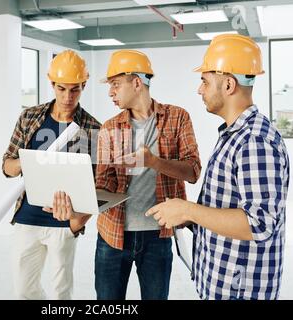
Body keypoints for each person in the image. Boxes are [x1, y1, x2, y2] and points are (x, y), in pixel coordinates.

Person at [146, 34, 290, 300]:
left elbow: (258, 224)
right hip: (224, 283)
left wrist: (189, 209)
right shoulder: (235, 134)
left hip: (239, 291)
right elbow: (229, 206)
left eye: (204, 80)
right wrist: (187, 215)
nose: (199, 89)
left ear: (228, 84)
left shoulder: (254, 141)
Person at [94, 49, 201, 300]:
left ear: (137, 83)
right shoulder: (110, 127)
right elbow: (103, 181)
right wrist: (84, 196)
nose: (111, 92)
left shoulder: (177, 118)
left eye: (116, 85)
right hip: (112, 234)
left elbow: (193, 171)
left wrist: (153, 161)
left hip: (157, 235)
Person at [2, 50, 101, 300]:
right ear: (52, 84)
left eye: (75, 89)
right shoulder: (30, 117)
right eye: (61, 89)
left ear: (84, 86)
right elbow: (6, 166)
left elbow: (97, 185)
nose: (68, 97)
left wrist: (77, 223)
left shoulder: (92, 128)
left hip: (63, 222)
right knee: (23, 290)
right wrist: (29, 162)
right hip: (27, 218)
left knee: (61, 292)